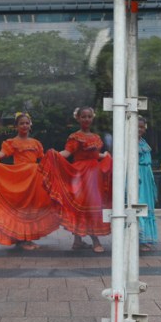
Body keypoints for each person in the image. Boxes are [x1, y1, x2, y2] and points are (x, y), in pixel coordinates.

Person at [0, 113, 60, 251]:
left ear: (30, 125)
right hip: (20, 178)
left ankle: (26, 239)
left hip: (34, 179)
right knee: (21, 208)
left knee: (31, 208)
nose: (24, 125)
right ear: (16, 126)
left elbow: (43, 159)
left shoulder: (36, 143)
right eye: (21, 123)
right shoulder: (12, 142)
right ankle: (22, 240)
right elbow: (1, 155)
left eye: (27, 123)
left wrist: (55, 156)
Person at [40, 106, 112, 253]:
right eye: (83, 116)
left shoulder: (96, 137)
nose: (86, 119)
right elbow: (67, 153)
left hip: (94, 175)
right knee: (85, 206)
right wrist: (54, 155)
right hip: (80, 174)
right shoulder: (75, 137)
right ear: (78, 118)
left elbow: (95, 155)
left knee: (91, 206)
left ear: (93, 118)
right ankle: (95, 241)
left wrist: (105, 156)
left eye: (89, 116)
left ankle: (77, 241)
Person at [137, 116, 158, 252]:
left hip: (146, 176)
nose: (139, 129)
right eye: (136, 126)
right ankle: (139, 239)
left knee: (146, 204)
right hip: (137, 176)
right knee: (138, 203)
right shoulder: (127, 142)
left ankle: (145, 238)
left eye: (141, 127)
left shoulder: (143, 142)